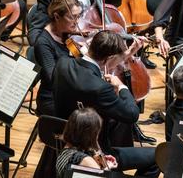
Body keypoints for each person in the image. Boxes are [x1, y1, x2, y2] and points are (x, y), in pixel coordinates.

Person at [52, 31, 159, 177]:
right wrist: (122, 87)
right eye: (119, 59)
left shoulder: (63, 64)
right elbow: (132, 114)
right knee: (158, 156)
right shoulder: (101, 88)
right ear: (108, 58)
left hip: (64, 142)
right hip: (96, 152)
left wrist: (125, 54)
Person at [33, 0, 79, 116]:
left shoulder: (65, 34)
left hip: (71, 93)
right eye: (72, 17)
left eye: (78, 16)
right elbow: (55, 79)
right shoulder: (43, 43)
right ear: (57, 17)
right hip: (52, 99)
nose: (76, 22)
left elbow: (79, 59)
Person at [56, 107, 118, 178]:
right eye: (97, 132)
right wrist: (108, 167)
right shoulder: (86, 160)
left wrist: (102, 159)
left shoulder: (67, 148)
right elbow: (103, 175)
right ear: (91, 135)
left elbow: (100, 166)